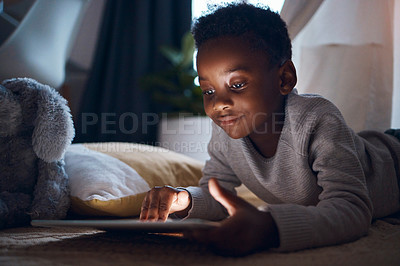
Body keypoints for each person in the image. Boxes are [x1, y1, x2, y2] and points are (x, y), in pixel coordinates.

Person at [140, 3, 400, 256]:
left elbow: (353, 209)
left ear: (284, 78)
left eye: (238, 85)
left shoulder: (317, 118)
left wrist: (270, 227)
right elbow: (217, 193)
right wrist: (183, 199)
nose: (219, 104)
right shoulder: (227, 130)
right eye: (209, 90)